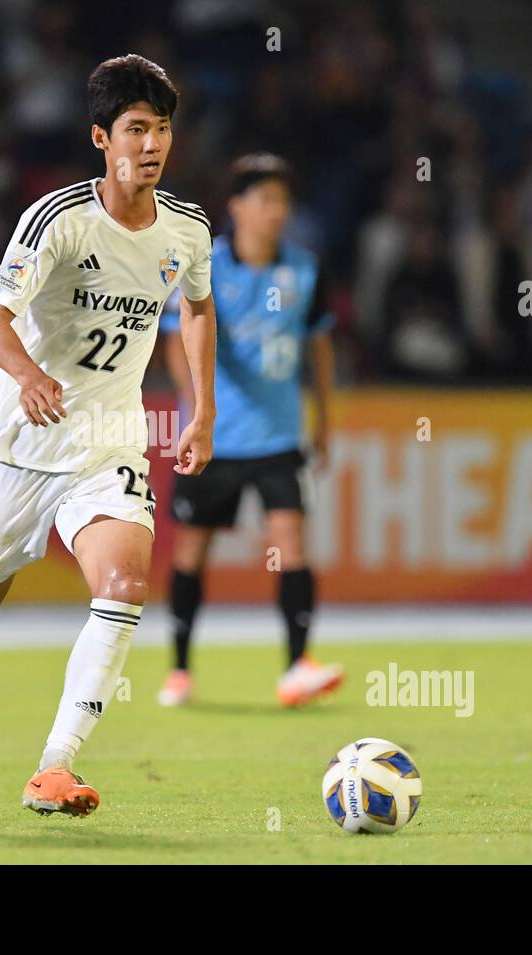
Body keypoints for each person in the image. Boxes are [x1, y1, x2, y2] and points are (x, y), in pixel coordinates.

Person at [0, 54, 217, 817]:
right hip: (25, 447)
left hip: (110, 444)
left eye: (162, 129)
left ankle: (55, 766)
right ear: (100, 136)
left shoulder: (187, 230)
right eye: (135, 129)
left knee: (123, 586)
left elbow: (196, 307)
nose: (152, 144)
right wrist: (27, 372)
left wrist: (203, 411)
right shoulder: (57, 220)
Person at [157, 154, 343, 708]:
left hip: (280, 434)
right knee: (192, 549)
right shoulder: (204, 265)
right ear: (235, 207)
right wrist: (195, 409)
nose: (276, 212)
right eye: (265, 200)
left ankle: (297, 666)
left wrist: (325, 420)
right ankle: (181, 670)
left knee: (293, 541)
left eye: (283, 201)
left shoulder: (306, 269)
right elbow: (174, 339)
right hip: (216, 436)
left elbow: (320, 346)